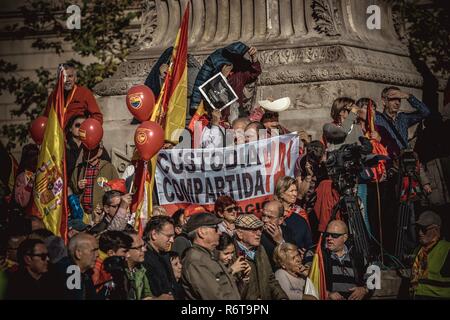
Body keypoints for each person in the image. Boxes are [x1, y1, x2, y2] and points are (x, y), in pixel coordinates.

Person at [304, 220, 370, 300]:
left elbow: (376, 273)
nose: (329, 238)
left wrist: (364, 289)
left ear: (345, 237)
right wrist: (327, 294)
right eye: (327, 235)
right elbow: (309, 279)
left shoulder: (357, 256)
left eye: (334, 235)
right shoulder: (315, 254)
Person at [181, 213, 241, 300]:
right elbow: (214, 296)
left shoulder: (209, 256)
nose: (220, 232)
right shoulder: (196, 261)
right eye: (216, 228)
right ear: (202, 232)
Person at [234, 214, 288, 300]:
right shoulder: (230, 254)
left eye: (260, 229)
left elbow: (270, 280)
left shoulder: (261, 249)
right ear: (240, 234)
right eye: (254, 230)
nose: (259, 233)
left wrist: (282, 297)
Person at [375, 87, 431, 159]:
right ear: (384, 101)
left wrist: (407, 96)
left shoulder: (403, 118)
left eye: (399, 99)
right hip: (387, 161)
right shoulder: (377, 119)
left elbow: (426, 112)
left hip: (404, 161)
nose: (397, 103)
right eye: (393, 99)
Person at [43, 63, 103, 128]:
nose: (67, 80)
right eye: (63, 77)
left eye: (70, 76)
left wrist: (86, 131)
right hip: (57, 136)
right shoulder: (53, 96)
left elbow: (97, 117)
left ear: (75, 78)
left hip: (77, 136)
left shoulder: (84, 93)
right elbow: (46, 119)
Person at [410, 211, 450, 299]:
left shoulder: (446, 249)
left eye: (424, 229)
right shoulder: (417, 250)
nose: (420, 233)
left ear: (436, 230)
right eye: (418, 228)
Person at [260, 200, 309, 271]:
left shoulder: (287, 232)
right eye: (263, 215)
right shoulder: (258, 234)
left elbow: (292, 259)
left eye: (270, 217)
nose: (265, 220)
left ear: (280, 220)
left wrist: (280, 242)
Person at [124, 230, 173, 300]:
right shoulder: (119, 274)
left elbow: (147, 295)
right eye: (139, 247)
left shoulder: (140, 269)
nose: (144, 249)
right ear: (127, 251)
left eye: (144, 245)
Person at [55, 233, 100, 300]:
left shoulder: (85, 273)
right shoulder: (70, 271)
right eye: (93, 250)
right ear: (78, 253)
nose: (98, 254)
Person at [142, 215, 179, 299]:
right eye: (168, 236)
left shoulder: (164, 255)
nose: (172, 240)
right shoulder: (144, 257)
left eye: (173, 236)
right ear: (154, 234)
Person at [275, 176, 312, 247]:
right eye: (291, 191)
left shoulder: (300, 212)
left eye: (296, 190)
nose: (295, 194)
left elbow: (307, 238)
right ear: (281, 193)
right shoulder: (273, 211)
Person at [13, 143, 39, 216]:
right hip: (30, 216)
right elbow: (22, 202)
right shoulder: (21, 177)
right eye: (33, 158)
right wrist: (29, 186)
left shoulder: (40, 172)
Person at [65, 114, 87, 180]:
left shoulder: (93, 146)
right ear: (70, 128)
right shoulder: (64, 147)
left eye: (84, 125)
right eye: (77, 125)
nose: (81, 128)